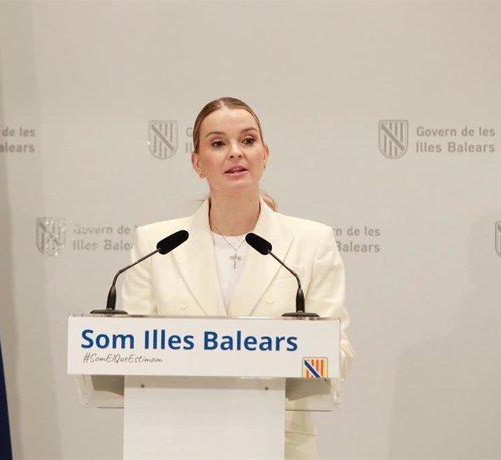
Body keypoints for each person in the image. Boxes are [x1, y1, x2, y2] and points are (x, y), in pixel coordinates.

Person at [121, 97, 353, 458]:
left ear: (265, 154)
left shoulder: (310, 243)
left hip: (279, 442)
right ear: (197, 163)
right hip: (176, 440)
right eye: (218, 143)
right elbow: (126, 354)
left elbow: (338, 352)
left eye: (248, 140)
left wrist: (280, 359)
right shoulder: (155, 244)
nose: (235, 153)